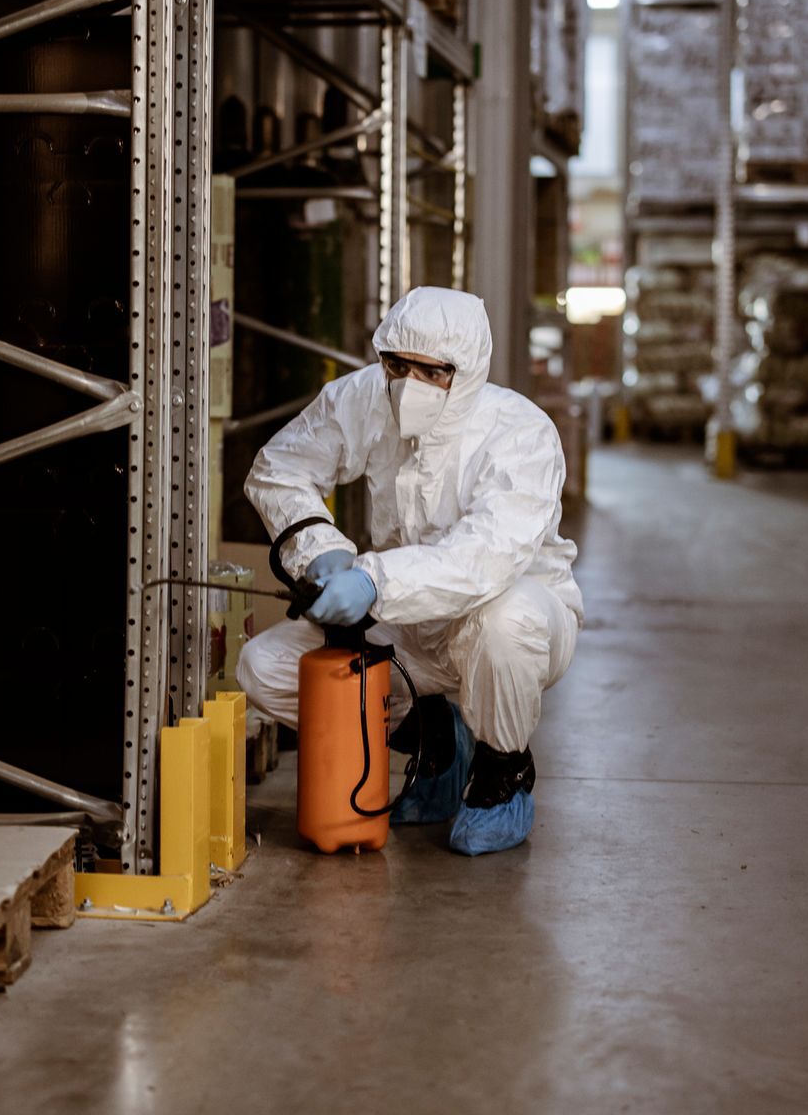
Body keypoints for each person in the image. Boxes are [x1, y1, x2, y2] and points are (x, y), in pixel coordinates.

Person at [235, 286, 583, 856]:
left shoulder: (521, 433)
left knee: (504, 618)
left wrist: (375, 580)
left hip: (506, 620)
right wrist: (319, 549)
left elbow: (484, 559)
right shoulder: (366, 398)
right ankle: (432, 740)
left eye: (433, 371)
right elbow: (280, 469)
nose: (409, 383)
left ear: (466, 371)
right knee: (266, 668)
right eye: (397, 365)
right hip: (406, 627)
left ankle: (503, 769)